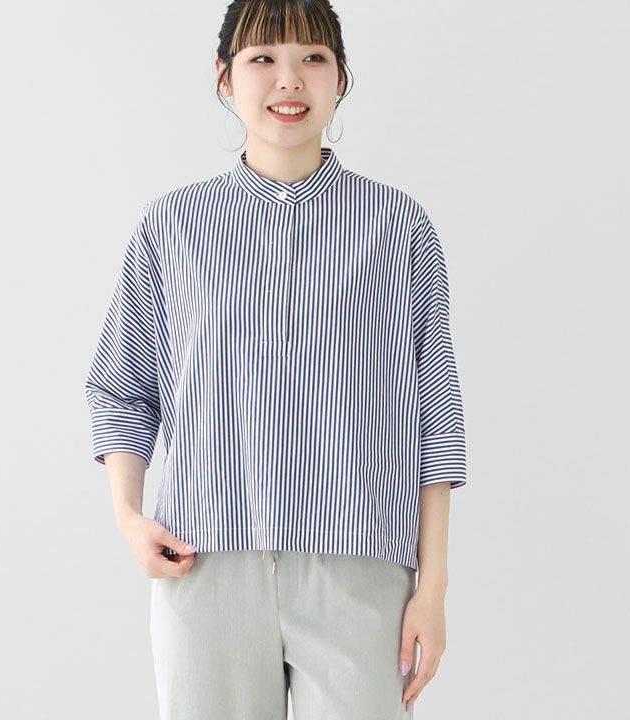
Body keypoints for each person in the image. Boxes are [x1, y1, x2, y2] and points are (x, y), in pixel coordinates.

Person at [84, 1, 468, 718]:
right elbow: (123, 388)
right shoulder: (171, 226)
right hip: (204, 564)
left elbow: (435, 412)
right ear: (224, 77)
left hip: (360, 568)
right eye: (263, 58)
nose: (289, 79)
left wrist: (433, 588)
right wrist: (129, 517)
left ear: (340, 78)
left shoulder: (399, 227)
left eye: (312, 58)